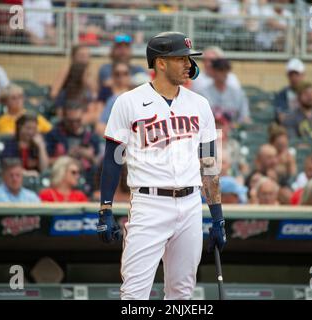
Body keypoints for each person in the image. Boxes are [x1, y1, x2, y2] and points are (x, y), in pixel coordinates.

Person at [98, 31, 226, 300]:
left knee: (181, 294)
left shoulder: (200, 104)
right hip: (149, 204)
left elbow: (210, 165)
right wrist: (105, 209)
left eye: (189, 59)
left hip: (191, 204)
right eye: (181, 58)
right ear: (161, 63)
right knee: (134, 294)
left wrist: (217, 217)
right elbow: (112, 158)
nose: (188, 65)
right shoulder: (128, 101)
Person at [45, 105, 101, 192]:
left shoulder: (92, 137)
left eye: (78, 121)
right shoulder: (54, 135)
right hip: (62, 177)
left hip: (88, 177)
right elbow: (45, 162)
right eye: (70, 122)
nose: (74, 125)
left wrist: (89, 157)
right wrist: (66, 157)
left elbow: (99, 164)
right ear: (64, 119)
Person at [197, 58, 250, 125]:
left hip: (233, 131)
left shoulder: (238, 93)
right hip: (211, 131)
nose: (224, 73)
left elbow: (245, 117)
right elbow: (200, 119)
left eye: (226, 70)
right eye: (220, 70)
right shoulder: (203, 93)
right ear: (213, 71)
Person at [96, 62, 133, 136]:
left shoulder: (137, 96)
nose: (121, 77)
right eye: (117, 74)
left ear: (130, 76)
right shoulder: (110, 97)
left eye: (125, 73)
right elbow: (100, 125)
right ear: (112, 76)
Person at [273, 58, 305, 123]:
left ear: (303, 75)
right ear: (287, 76)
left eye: (297, 74)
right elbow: (281, 116)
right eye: (291, 75)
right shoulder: (282, 94)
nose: (294, 78)